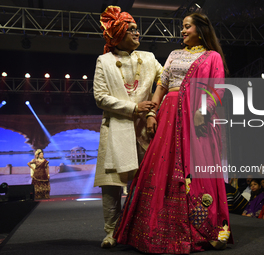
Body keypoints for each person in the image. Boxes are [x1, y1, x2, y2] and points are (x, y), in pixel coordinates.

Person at [114, 12, 232, 254]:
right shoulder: (174, 55)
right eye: (182, 27)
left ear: (201, 29)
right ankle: (152, 229)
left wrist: (204, 110)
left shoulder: (213, 57)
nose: (183, 31)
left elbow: (217, 88)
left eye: (187, 27)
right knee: (160, 170)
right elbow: (162, 85)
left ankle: (206, 229)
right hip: (169, 113)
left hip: (196, 115)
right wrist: (151, 113)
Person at [93, 6, 162, 248]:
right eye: (130, 29)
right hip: (116, 129)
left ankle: (140, 229)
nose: (136, 32)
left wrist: (151, 111)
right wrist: (133, 108)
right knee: (112, 185)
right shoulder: (105, 61)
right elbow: (100, 97)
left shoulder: (150, 58)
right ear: (118, 34)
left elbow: (165, 83)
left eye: (136, 28)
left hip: (146, 130)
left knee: (145, 183)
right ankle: (111, 232)